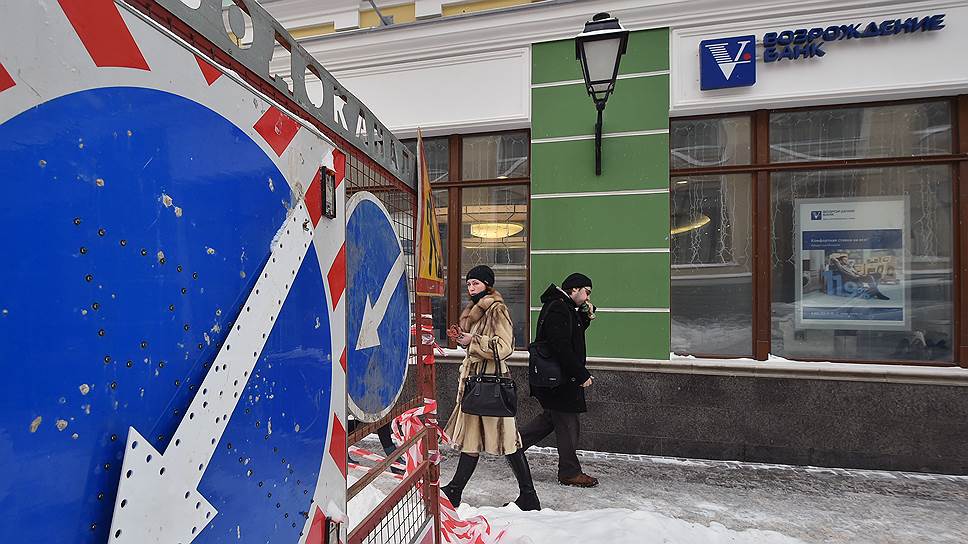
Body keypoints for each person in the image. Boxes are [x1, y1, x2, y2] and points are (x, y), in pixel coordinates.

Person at [441, 265, 540, 511]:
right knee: (471, 438)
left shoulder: (497, 309)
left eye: (476, 283)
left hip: (491, 383)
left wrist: (473, 341)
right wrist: (464, 339)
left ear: (487, 284)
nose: (471, 287)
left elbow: (504, 347)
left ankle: (529, 495)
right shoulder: (476, 310)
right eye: (468, 284)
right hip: (476, 381)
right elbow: (478, 345)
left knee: (509, 441)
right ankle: (455, 490)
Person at [520, 273, 599, 488]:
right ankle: (569, 472)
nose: (588, 297)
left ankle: (514, 447)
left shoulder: (564, 307)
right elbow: (561, 346)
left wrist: (584, 316)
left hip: (558, 378)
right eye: (586, 292)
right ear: (574, 290)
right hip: (559, 379)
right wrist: (580, 374)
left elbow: (570, 334)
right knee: (568, 422)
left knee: (550, 419)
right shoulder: (559, 308)